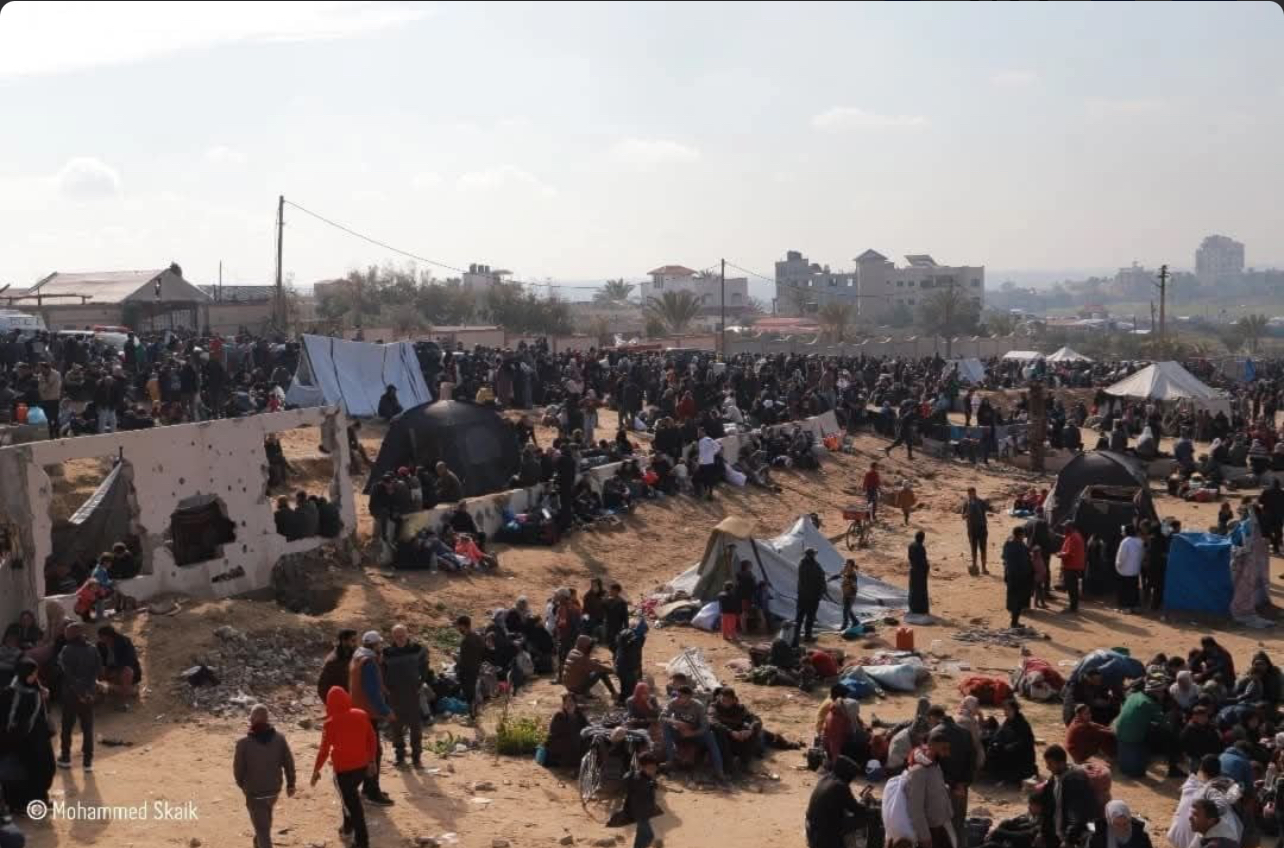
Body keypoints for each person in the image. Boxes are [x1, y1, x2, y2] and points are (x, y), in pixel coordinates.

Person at [311, 686, 377, 848]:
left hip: (343, 771)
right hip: (361, 767)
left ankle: (362, 841)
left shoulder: (330, 723)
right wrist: (371, 761)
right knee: (349, 798)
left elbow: (324, 750)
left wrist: (316, 770)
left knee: (352, 804)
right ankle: (347, 828)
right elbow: (372, 739)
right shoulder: (361, 714)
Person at [233, 704, 297, 848]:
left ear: (253, 719)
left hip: (255, 793)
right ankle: (258, 842)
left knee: (263, 830)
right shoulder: (280, 738)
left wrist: (244, 786)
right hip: (274, 790)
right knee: (264, 820)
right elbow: (289, 762)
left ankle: (261, 842)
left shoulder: (243, 743)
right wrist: (291, 784)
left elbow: (238, 771)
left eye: (251, 716)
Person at [0, 658, 56, 811]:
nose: (35, 676)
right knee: (22, 773)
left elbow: (43, 712)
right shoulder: (10, 694)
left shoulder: (37, 689)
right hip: (21, 741)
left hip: (39, 739)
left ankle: (40, 799)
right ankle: (21, 805)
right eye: (32, 674)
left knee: (46, 769)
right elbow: (7, 720)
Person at [347, 631, 394, 807]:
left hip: (357, 710)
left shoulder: (357, 657)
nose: (381, 647)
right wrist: (385, 711)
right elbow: (372, 691)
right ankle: (371, 791)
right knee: (374, 752)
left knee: (368, 751)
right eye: (379, 644)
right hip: (367, 712)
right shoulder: (368, 662)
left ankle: (368, 788)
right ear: (375, 645)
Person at [382, 624, 430, 769]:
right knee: (396, 727)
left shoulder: (417, 649)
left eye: (402, 635)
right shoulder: (387, 653)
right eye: (397, 636)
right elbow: (382, 671)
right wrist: (385, 688)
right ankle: (400, 756)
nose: (400, 639)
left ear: (407, 634)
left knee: (415, 727)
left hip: (412, 694)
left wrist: (421, 683)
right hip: (395, 696)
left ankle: (416, 758)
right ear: (392, 637)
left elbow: (425, 667)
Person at [901, 725, 955, 848]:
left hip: (942, 826)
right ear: (932, 746)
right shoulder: (918, 771)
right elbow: (915, 808)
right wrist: (924, 836)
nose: (947, 753)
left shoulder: (934, 765)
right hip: (929, 832)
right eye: (944, 749)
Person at [56, 621, 101, 771]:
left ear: (71, 634)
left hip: (71, 695)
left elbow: (67, 675)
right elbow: (97, 671)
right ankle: (88, 762)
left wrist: (79, 692)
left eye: (67, 631)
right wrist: (87, 692)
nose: (65, 634)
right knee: (87, 728)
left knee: (67, 727)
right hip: (88, 695)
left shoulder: (66, 650)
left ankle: (65, 757)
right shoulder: (93, 649)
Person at [1114, 684, 1182, 779]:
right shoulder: (1150, 704)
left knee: (1153, 729)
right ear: (1156, 692)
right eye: (1162, 692)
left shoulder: (1134, 695)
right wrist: (1172, 715)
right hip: (1134, 737)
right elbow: (1166, 724)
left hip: (1119, 731)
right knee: (1171, 736)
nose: (1163, 695)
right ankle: (1173, 768)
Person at [661, 685, 726, 783]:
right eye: (677, 696)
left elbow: (705, 727)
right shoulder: (673, 703)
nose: (677, 698)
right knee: (665, 727)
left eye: (680, 696)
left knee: (710, 736)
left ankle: (719, 770)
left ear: (688, 697)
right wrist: (675, 722)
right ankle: (670, 760)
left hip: (696, 734)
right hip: (680, 732)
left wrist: (692, 733)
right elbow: (662, 717)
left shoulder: (698, 706)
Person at [1042, 744, 1101, 848]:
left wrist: (1069, 840)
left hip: (1074, 836)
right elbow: (1049, 807)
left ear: (1061, 763)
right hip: (1059, 833)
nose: (1047, 767)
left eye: (1050, 764)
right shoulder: (1056, 778)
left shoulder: (1074, 781)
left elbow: (1076, 814)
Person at [805, 755, 869, 848]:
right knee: (865, 818)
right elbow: (857, 810)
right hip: (823, 836)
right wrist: (865, 804)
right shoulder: (840, 786)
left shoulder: (825, 778)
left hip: (811, 829)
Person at [610, 751, 661, 848]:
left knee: (641, 834)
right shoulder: (637, 778)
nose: (653, 770)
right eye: (650, 768)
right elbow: (642, 786)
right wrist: (653, 785)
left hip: (643, 811)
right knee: (648, 835)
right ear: (642, 767)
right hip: (637, 812)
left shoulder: (647, 777)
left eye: (654, 768)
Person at [709, 687, 763, 773]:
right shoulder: (714, 707)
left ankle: (744, 763)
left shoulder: (740, 708)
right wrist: (730, 732)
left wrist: (749, 730)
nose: (725, 703)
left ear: (734, 700)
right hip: (724, 736)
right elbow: (712, 721)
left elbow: (756, 720)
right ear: (719, 698)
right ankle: (728, 766)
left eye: (728, 700)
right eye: (723, 700)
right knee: (718, 733)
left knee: (754, 732)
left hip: (738, 736)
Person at [986, 699, 1037, 785]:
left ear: (1014, 710)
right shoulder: (1008, 721)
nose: (1005, 712)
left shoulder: (1022, 724)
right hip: (1007, 749)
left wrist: (1006, 748)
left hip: (1021, 755)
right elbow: (999, 733)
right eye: (1005, 709)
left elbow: (1024, 743)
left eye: (1008, 710)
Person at [563, 634, 619, 700]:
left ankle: (586, 693)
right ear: (585, 646)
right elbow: (599, 668)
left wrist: (592, 660)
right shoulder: (582, 658)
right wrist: (614, 670)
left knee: (588, 673)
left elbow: (583, 664)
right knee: (601, 672)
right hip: (576, 688)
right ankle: (614, 693)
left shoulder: (572, 652)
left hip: (569, 685)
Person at [96, 624, 141, 705]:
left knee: (127, 671)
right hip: (110, 669)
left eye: (101, 636)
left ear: (108, 636)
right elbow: (101, 660)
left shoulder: (124, 642)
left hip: (124, 670)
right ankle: (117, 689)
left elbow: (129, 660)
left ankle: (122, 694)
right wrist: (103, 668)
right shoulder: (100, 645)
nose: (100, 638)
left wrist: (117, 671)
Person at [543, 691, 589, 768]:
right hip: (560, 742)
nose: (569, 704)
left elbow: (586, 726)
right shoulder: (560, 715)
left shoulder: (579, 714)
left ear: (575, 703)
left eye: (571, 701)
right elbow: (556, 732)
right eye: (566, 702)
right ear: (563, 704)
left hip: (574, 740)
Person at [793, 546, 826, 647]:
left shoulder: (803, 564)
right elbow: (819, 578)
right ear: (811, 555)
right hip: (811, 596)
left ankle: (797, 636)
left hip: (803, 595)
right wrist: (821, 591)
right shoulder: (812, 566)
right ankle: (806, 636)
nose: (815, 555)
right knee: (808, 617)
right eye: (814, 554)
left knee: (800, 617)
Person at [1002, 527, 1033, 628]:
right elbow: (1025, 562)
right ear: (1020, 535)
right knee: (1018, 599)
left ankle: (1013, 618)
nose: (1024, 536)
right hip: (1019, 576)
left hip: (1010, 574)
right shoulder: (1020, 546)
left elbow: (1003, 557)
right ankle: (1014, 622)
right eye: (1023, 534)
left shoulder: (1008, 543)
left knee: (1012, 597)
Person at [455, 615, 485, 718]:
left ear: (463, 626)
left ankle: (472, 715)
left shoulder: (466, 641)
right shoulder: (478, 637)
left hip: (467, 671)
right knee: (473, 691)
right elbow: (482, 652)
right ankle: (474, 712)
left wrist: (455, 658)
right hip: (476, 668)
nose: (458, 629)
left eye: (458, 626)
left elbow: (463, 660)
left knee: (469, 694)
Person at [317, 629, 358, 701]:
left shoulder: (353, 655)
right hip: (339, 701)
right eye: (353, 641)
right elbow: (322, 687)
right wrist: (332, 704)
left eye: (355, 641)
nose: (355, 644)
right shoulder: (333, 661)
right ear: (344, 641)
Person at [1055, 522, 1086, 613]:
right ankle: (1074, 606)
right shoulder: (1075, 535)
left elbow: (1069, 553)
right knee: (1073, 587)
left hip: (1071, 566)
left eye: (1065, 527)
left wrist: (1059, 554)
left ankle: (1073, 607)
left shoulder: (1073, 537)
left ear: (1071, 527)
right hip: (1074, 566)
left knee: (1072, 587)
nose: (1064, 529)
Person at [1114, 524, 1144, 614]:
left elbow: (1121, 556)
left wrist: (1118, 565)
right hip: (1135, 570)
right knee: (1134, 589)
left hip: (1125, 570)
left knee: (1124, 589)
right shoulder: (1140, 541)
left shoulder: (1125, 542)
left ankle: (1125, 608)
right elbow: (1142, 555)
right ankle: (1135, 607)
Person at [962, 487, 990, 576]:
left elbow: (987, 509)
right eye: (969, 494)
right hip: (972, 529)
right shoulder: (966, 503)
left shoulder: (981, 502)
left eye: (972, 493)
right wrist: (967, 513)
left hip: (982, 528)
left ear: (975, 493)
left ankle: (984, 568)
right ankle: (974, 566)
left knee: (983, 548)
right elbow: (963, 516)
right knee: (973, 549)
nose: (971, 495)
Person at [907, 531, 932, 623]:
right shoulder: (921, 547)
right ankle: (921, 609)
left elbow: (910, 558)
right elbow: (923, 560)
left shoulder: (911, 545)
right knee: (921, 591)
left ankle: (913, 608)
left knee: (913, 590)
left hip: (913, 570)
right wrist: (927, 568)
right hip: (920, 572)